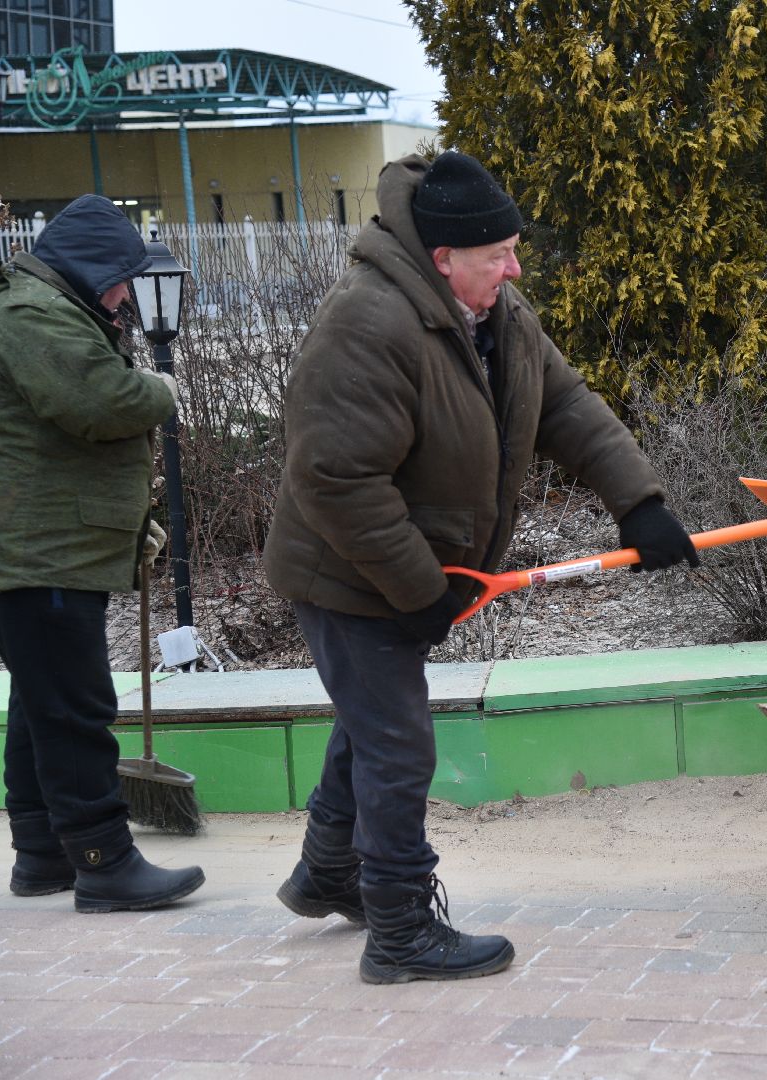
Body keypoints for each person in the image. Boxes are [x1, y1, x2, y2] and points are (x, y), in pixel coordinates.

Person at [263, 151, 700, 985]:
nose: (515, 265)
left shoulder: (498, 312)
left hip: (408, 568)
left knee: (371, 720)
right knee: (397, 742)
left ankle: (329, 870)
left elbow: (565, 404)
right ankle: (397, 931)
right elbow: (334, 478)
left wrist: (636, 502)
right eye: (498, 253)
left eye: (513, 249)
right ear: (441, 259)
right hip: (348, 573)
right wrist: (420, 590)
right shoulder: (368, 322)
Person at [0, 195, 205, 913]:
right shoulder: (31, 315)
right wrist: (158, 389)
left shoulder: (36, 307)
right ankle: (103, 861)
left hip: (32, 546)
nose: (127, 293)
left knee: (40, 704)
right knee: (74, 707)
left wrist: (126, 526)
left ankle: (43, 857)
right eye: (122, 278)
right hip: (33, 553)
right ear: (92, 269)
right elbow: (99, 403)